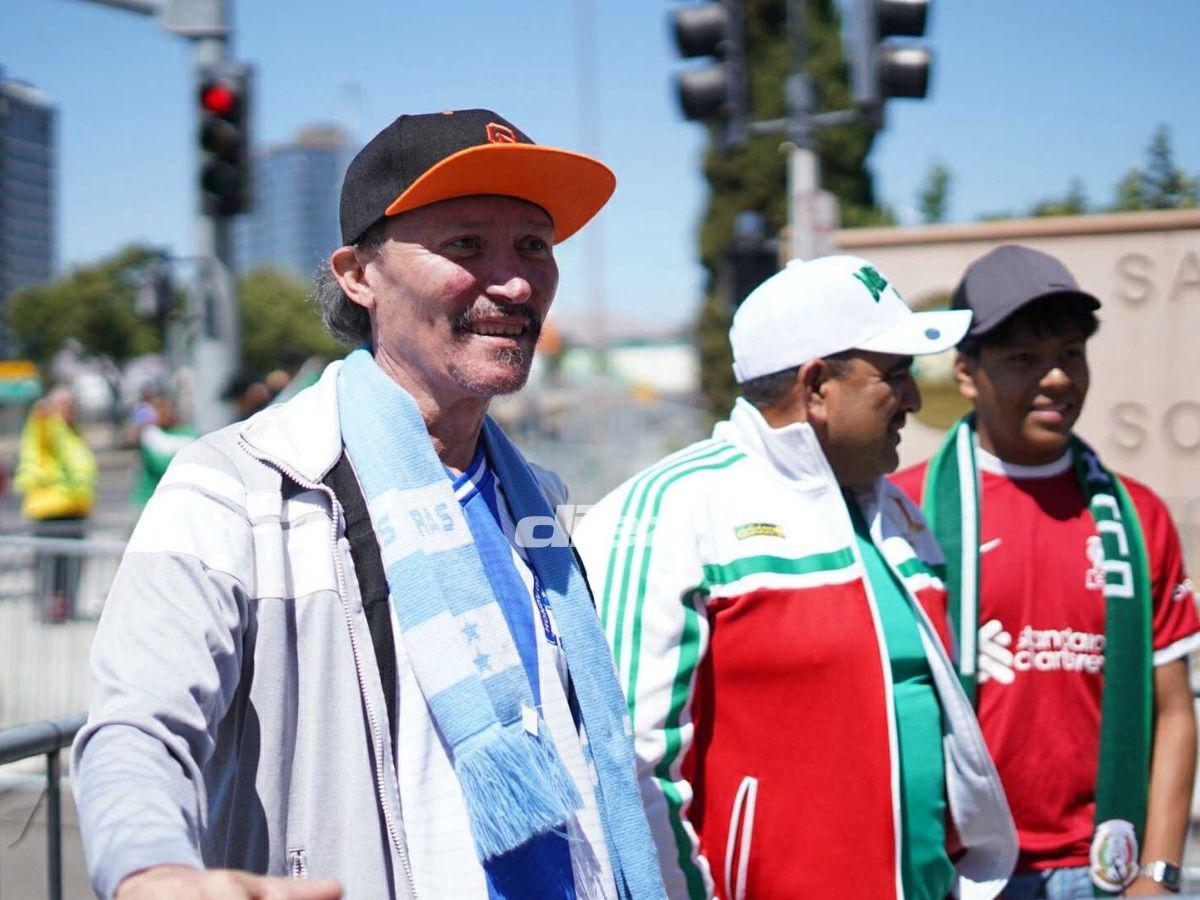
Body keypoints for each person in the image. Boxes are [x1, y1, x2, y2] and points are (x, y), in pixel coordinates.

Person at [72, 108, 665, 900]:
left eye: (533, 245)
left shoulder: (538, 505)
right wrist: (152, 871)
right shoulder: (241, 488)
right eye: (464, 245)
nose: (517, 282)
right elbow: (136, 729)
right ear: (358, 274)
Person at [574, 256, 1017, 900]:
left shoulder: (899, 515)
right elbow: (628, 770)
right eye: (894, 375)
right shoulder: (670, 511)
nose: (915, 399)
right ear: (815, 387)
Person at [892, 245, 1200, 898]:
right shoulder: (907, 509)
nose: (1056, 378)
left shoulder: (1135, 518)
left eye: (1069, 354)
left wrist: (1160, 874)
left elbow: (1174, 709)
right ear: (968, 373)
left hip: (1105, 872)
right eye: (1024, 359)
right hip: (961, 875)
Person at [14, 386, 97, 622]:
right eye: (65, 404)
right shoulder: (47, 425)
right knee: (50, 565)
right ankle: (50, 608)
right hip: (50, 507)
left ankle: (65, 606)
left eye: (73, 404)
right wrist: (42, 413)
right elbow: (38, 432)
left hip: (75, 507)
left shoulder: (73, 432)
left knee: (71, 565)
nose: (70, 409)